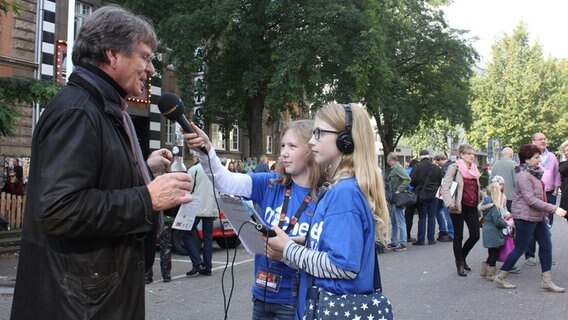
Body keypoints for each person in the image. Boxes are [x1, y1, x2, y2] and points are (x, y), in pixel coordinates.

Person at [9, 6, 192, 319]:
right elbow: (58, 208)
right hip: (79, 304)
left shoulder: (102, 107)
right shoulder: (78, 112)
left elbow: (94, 179)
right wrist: (147, 198)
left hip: (93, 295)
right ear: (113, 55)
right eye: (145, 57)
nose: (150, 70)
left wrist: (143, 169)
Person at [185, 120, 325, 320]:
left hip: (295, 300)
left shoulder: (324, 198)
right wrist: (206, 151)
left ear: (312, 150)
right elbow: (226, 182)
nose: (284, 152)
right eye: (283, 146)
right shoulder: (270, 183)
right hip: (261, 294)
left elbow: (322, 259)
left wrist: (286, 253)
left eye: (292, 146)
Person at [264, 103, 391, 319]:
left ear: (345, 140)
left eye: (319, 133)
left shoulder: (344, 193)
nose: (312, 140)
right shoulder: (341, 188)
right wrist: (304, 241)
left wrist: (288, 249)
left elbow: (343, 266)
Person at [493, 144, 567, 291]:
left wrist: (544, 214)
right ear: (526, 159)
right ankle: (501, 276)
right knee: (520, 247)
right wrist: (554, 209)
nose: (539, 160)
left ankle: (546, 281)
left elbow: (539, 197)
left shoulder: (534, 173)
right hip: (524, 217)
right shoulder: (524, 175)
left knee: (546, 246)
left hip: (536, 216)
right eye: (536, 157)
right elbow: (530, 199)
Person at [442, 144, 481, 277]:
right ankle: (459, 263)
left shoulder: (474, 169)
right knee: (458, 236)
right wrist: (449, 203)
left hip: (472, 206)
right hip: (458, 206)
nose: (472, 156)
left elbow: (476, 188)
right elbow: (446, 186)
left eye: (473, 154)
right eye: (469, 154)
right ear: (462, 155)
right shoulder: (455, 167)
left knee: (475, 235)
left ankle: (462, 256)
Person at [525, 132, 561, 266]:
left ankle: (546, 254)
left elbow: (556, 173)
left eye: (544, 139)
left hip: (549, 194)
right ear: (533, 141)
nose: (543, 141)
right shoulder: (528, 155)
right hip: (534, 195)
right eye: (540, 139)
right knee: (532, 224)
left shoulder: (551, 157)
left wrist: (556, 189)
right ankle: (530, 255)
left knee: (547, 225)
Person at [183, 152, 219, 276]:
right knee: (208, 237)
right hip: (210, 207)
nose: (193, 158)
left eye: (194, 156)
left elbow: (188, 188)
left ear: (197, 157)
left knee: (186, 233)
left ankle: (197, 262)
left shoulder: (194, 170)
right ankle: (207, 267)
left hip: (196, 207)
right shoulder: (213, 170)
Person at [479, 182, 513, 281]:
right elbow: (497, 221)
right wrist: (507, 224)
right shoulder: (495, 207)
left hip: (487, 230)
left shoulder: (485, 204)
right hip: (494, 232)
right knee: (495, 253)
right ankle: (491, 274)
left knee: (491, 252)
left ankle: (484, 270)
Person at [410, 150, 443, 246]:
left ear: (420, 157)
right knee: (432, 216)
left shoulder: (417, 167)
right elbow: (441, 181)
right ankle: (431, 239)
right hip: (434, 195)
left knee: (422, 217)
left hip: (422, 195)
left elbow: (411, 181)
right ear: (429, 156)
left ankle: (420, 240)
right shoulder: (436, 168)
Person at [387, 152, 411, 251]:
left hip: (397, 198)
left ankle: (402, 243)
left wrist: (399, 190)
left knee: (400, 221)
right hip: (394, 198)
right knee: (394, 221)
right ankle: (394, 241)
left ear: (390, 160)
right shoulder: (395, 168)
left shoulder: (397, 168)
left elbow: (407, 179)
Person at [434, 154, 454, 242]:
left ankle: (451, 233)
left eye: (437, 162)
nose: (438, 165)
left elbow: (445, 182)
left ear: (440, 160)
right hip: (446, 192)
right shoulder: (450, 166)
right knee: (440, 211)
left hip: (446, 192)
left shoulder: (447, 168)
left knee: (447, 213)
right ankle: (447, 231)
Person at [491, 147, 517, 212]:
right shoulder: (514, 164)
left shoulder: (495, 165)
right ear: (511, 155)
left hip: (496, 197)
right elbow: (517, 182)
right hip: (510, 198)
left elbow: (491, 180)